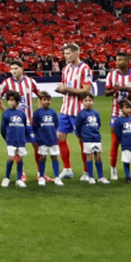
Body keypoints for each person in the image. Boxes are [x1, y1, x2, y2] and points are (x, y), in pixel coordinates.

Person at [56, 43, 94, 180]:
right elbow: (66, 87)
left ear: (76, 53)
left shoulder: (85, 69)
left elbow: (86, 90)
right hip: (66, 109)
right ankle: (67, 169)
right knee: (60, 137)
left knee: (82, 140)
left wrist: (66, 89)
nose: (65, 56)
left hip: (79, 111)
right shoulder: (65, 69)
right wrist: (61, 89)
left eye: (68, 53)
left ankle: (86, 171)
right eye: (64, 54)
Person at [103, 53, 131, 181]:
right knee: (115, 142)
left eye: (120, 59)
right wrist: (115, 90)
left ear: (127, 62)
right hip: (116, 114)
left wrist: (129, 90)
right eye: (116, 59)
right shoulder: (111, 75)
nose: (117, 61)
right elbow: (106, 93)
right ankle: (113, 170)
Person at [32, 92, 65, 186]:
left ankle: (57, 177)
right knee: (42, 157)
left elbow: (56, 124)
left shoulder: (53, 112)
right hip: (42, 139)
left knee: (54, 157)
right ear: (41, 101)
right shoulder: (37, 113)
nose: (46, 102)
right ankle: (41, 176)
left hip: (52, 139)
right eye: (44, 100)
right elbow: (35, 126)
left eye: (48, 100)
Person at [0, 91, 28, 188]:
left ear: (18, 102)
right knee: (11, 158)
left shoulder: (22, 114)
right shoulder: (6, 113)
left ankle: (19, 179)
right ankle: (7, 177)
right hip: (11, 140)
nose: (11, 103)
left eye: (13, 100)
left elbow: (24, 126)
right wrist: (7, 138)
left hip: (21, 140)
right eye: (9, 100)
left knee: (20, 158)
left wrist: (24, 138)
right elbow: (3, 128)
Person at [77, 94, 107, 184]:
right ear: (82, 102)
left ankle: (101, 176)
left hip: (96, 138)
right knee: (89, 156)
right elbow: (78, 126)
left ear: (93, 101)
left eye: (90, 100)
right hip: (87, 138)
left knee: (98, 157)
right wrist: (81, 136)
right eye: (85, 100)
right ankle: (91, 177)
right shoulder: (81, 114)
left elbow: (99, 123)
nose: (88, 102)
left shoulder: (96, 113)